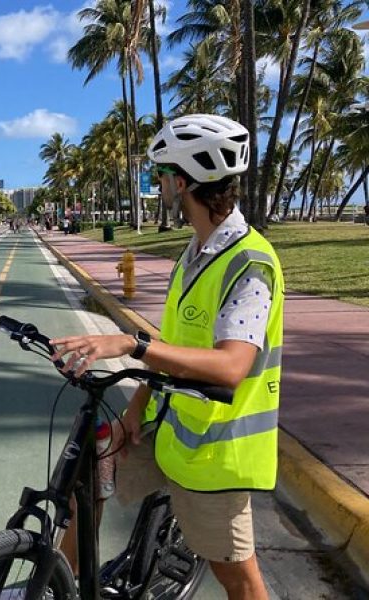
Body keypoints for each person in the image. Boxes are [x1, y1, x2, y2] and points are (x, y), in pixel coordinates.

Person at [52, 114, 284, 600]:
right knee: (91, 469)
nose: (158, 185)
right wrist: (135, 409)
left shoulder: (250, 263)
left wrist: (132, 345)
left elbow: (231, 366)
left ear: (181, 182)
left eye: (161, 175)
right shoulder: (195, 251)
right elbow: (176, 343)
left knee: (239, 581)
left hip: (216, 455)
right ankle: (60, 587)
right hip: (169, 430)